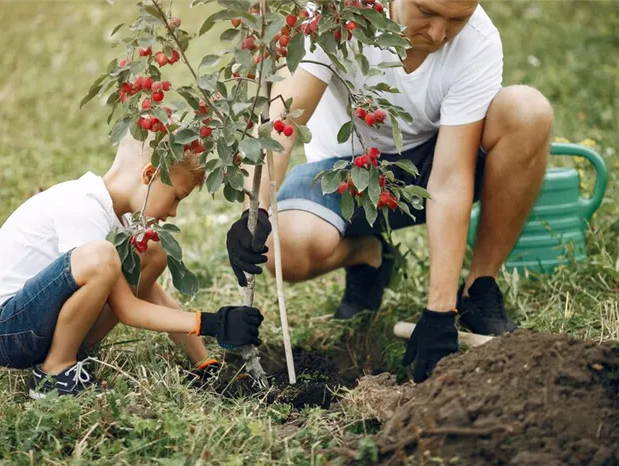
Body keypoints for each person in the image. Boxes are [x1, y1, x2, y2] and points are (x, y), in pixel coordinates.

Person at [226, 0, 553, 382]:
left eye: (456, 20)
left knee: (528, 111)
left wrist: (439, 312)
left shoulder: (478, 41)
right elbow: (281, 121)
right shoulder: (336, 17)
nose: (438, 34)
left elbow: (449, 180)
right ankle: (368, 254)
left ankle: (479, 285)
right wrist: (257, 210)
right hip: (345, 173)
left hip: (433, 166)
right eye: (426, 13)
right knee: (284, 249)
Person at [0, 133, 264, 399]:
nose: (173, 212)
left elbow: (150, 293)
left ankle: (65, 353)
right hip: (5, 332)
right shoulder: (83, 206)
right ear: (148, 175)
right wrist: (212, 323)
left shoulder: (117, 220)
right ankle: (53, 375)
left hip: (34, 326)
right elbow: (128, 308)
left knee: (151, 252)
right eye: (176, 198)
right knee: (103, 258)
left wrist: (202, 361)